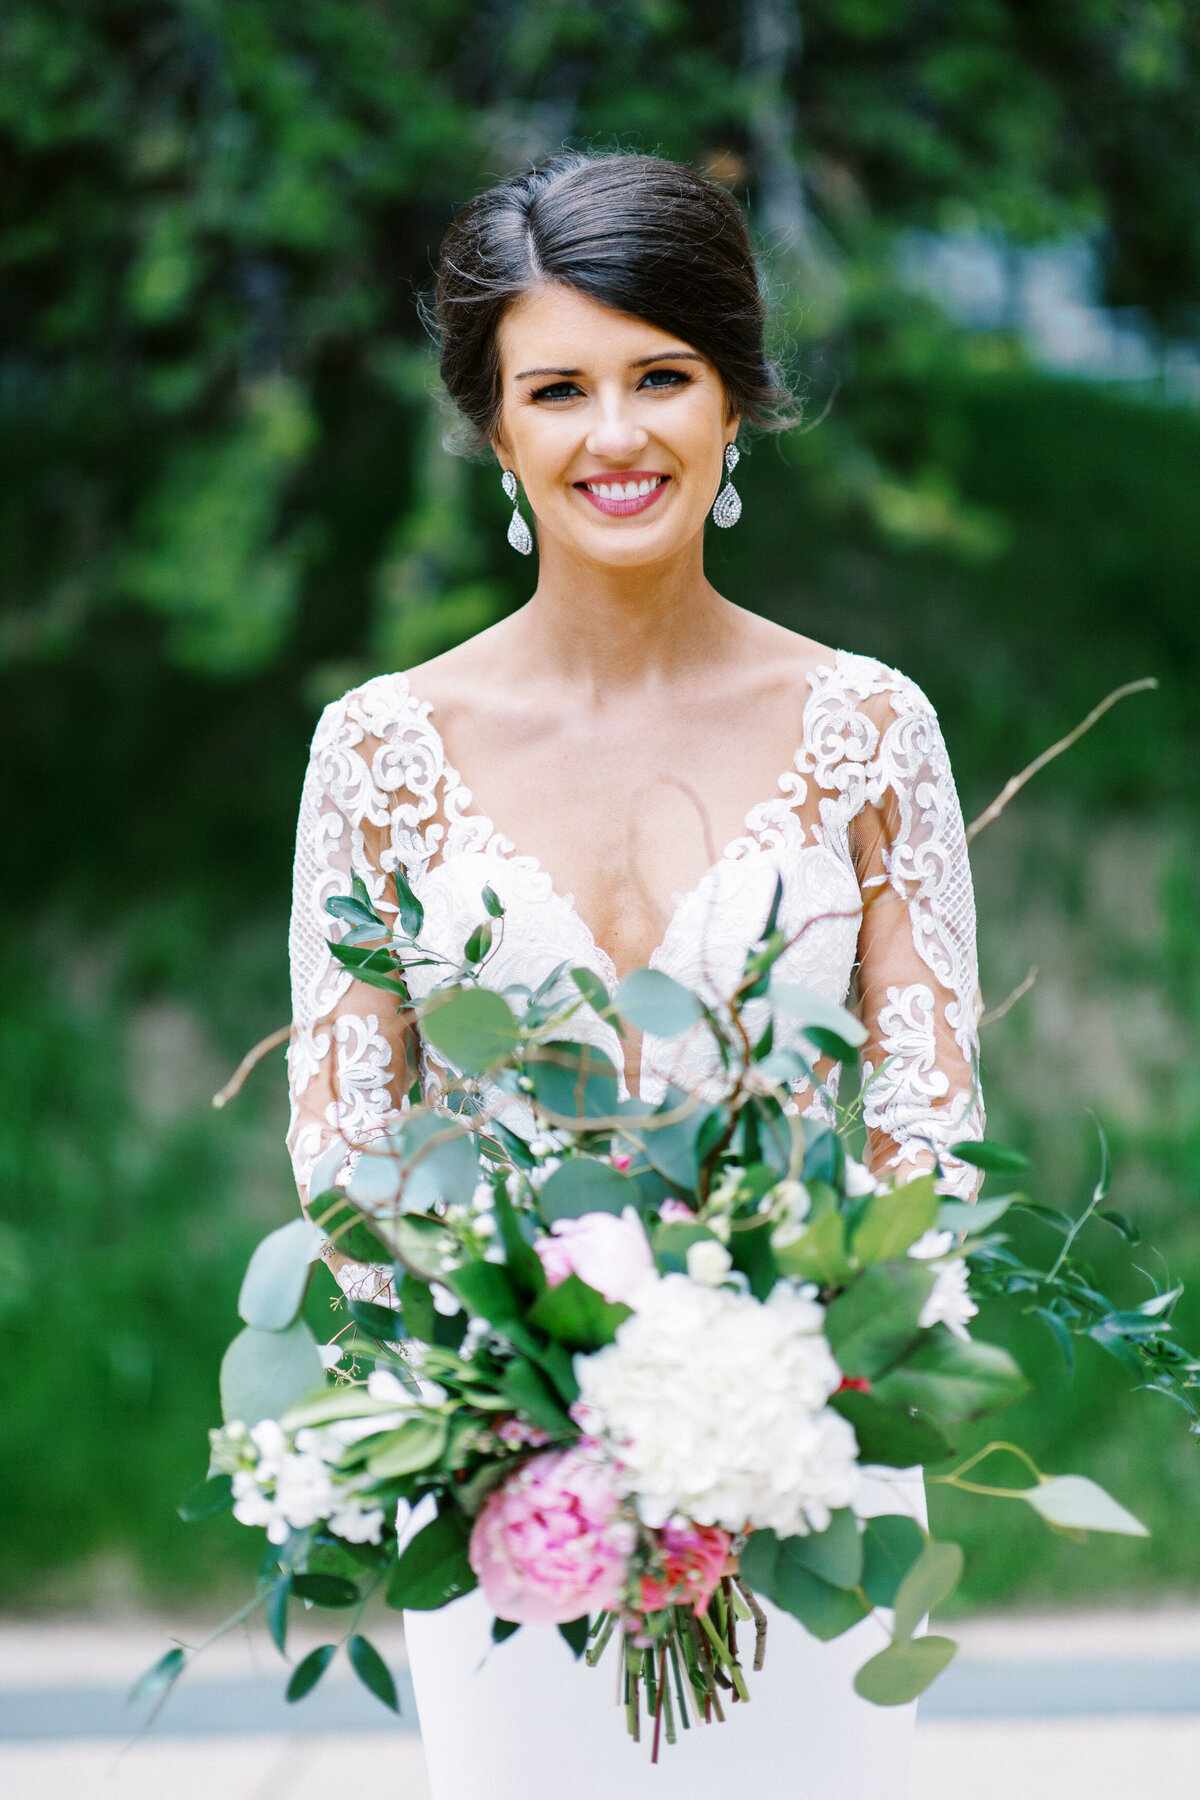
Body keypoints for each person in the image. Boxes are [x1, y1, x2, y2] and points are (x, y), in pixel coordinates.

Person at [286, 151, 983, 1800]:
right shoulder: (380, 751)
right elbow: (347, 1144)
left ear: (736, 397)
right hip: (506, 1496)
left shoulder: (870, 729)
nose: (616, 436)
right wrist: (503, 1392)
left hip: (805, 1456)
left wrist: (789, 1368)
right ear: (495, 428)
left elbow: (928, 1130)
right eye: (561, 389)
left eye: (662, 375)